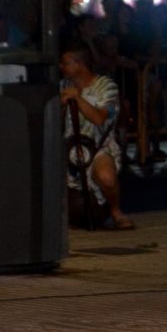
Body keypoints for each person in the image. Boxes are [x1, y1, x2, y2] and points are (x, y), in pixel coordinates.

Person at [60, 44, 135, 230]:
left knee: (106, 177)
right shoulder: (62, 85)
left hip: (98, 147)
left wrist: (78, 99)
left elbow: (99, 118)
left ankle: (115, 210)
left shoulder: (106, 87)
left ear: (80, 64)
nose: (61, 66)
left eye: (66, 62)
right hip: (68, 147)